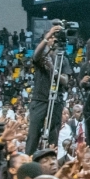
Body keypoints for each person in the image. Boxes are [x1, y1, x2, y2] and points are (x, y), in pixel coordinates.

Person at [26, 24, 68, 153]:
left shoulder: (63, 59)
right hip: (39, 99)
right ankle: (29, 161)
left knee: (53, 134)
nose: (54, 40)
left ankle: (50, 160)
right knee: (34, 134)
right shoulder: (42, 57)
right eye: (51, 38)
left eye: (56, 38)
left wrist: (52, 69)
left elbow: (65, 81)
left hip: (56, 101)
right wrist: (47, 36)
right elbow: (35, 55)